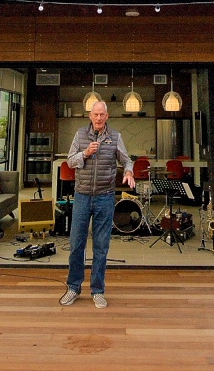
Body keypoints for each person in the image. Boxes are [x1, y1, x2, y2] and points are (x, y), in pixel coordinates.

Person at [60, 100, 134, 309]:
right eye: (96, 114)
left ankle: (98, 291)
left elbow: (126, 160)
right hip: (82, 196)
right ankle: (73, 288)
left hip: (105, 197)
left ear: (107, 116)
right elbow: (70, 161)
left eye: (102, 114)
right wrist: (85, 154)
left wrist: (129, 171)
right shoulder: (80, 135)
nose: (99, 118)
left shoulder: (115, 137)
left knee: (101, 247)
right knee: (76, 245)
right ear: (90, 116)